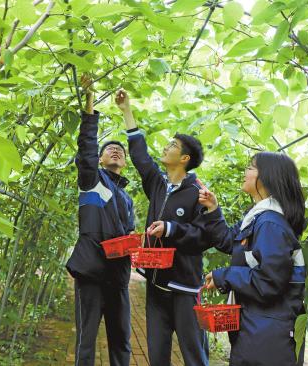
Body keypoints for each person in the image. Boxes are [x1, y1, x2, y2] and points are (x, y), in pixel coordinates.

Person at [116, 89, 211, 366]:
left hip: (184, 286)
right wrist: (127, 112)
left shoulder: (199, 192)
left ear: (184, 159)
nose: (166, 147)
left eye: (172, 145)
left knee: (193, 354)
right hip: (156, 283)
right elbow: (141, 157)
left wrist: (170, 228)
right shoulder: (158, 184)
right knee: (157, 354)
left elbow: (203, 236)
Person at [199, 152, 306, 366]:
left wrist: (223, 276)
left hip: (267, 337)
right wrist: (213, 209)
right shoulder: (259, 217)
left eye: (251, 167)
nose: (246, 171)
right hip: (257, 327)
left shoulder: (270, 224)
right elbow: (229, 241)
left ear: (267, 177)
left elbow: (269, 282)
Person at [65, 76, 135, 366]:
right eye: (109, 149)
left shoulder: (128, 200)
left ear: (126, 161)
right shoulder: (92, 180)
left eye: (120, 149)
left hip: (118, 276)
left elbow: (128, 235)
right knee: (86, 339)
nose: (115, 150)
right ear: (101, 159)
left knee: (122, 339)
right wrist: (90, 101)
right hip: (92, 272)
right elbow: (87, 147)